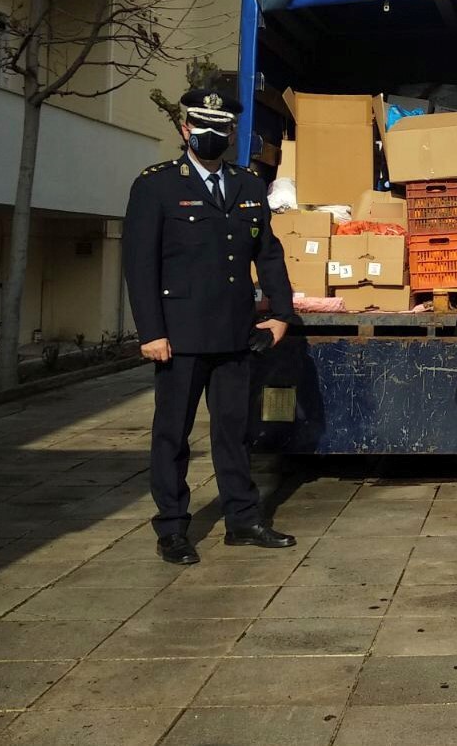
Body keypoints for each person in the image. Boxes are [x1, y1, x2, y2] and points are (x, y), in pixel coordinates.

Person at [123, 89, 297, 565]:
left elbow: (269, 254)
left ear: (232, 133)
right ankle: (173, 528)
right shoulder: (156, 185)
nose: (212, 136)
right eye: (202, 128)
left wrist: (280, 311)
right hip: (177, 336)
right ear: (185, 130)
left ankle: (243, 519)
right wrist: (150, 332)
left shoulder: (247, 185)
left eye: (221, 129)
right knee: (172, 434)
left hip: (235, 332)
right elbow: (139, 266)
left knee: (234, 431)